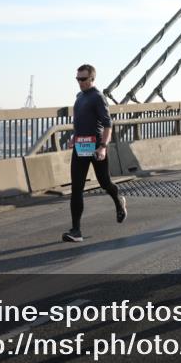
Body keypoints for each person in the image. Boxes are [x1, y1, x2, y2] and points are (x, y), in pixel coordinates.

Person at [63, 64, 127, 243]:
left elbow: (108, 124)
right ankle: (76, 230)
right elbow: (81, 122)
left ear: (92, 79)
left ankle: (118, 201)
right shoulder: (79, 97)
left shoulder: (98, 97)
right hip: (80, 147)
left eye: (83, 79)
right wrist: (74, 138)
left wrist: (103, 146)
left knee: (104, 182)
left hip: (96, 147)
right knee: (77, 188)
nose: (80, 82)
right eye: (78, 79)